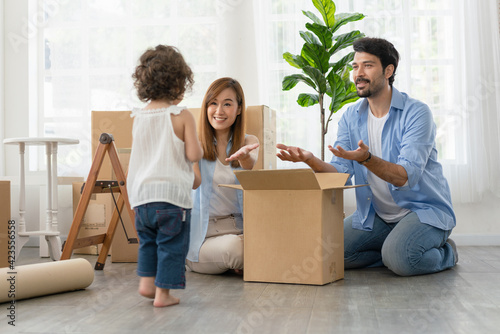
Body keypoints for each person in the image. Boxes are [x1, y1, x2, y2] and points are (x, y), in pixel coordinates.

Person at [276, 37, 457, 276]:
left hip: (423, 211)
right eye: (355, 66)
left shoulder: (416, 113)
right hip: (377, 215)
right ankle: (391, 250)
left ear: (388, 70)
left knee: (403, 260)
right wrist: (311, 160)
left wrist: (366, 159)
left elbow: (405, 176)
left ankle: (446, 253)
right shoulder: (351, 116)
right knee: (327, 254)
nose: (358, 73)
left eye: (368, 65)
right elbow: (340, 172)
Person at [127, 45, 203, 307]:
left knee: (148, 242)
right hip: (171, 199)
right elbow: (193, 154)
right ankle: (163, 295)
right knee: (171, 244)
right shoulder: (181, 115)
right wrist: (198, 148)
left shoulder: (140, 116)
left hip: (142, 198)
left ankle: (147, 284)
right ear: (178, 85)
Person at [186, 77, 259, 275]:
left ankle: (245, 259)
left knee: (267, 238)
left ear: (239, 108)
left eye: (227, 104)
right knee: (235, 248)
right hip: (205, 238)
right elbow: (192, 184)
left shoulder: (249, 141)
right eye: (213, 103)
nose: (219, 111)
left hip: (242, 230)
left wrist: (243, 158)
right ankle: (246, 258)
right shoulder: (194, 144)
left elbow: (251, 166)